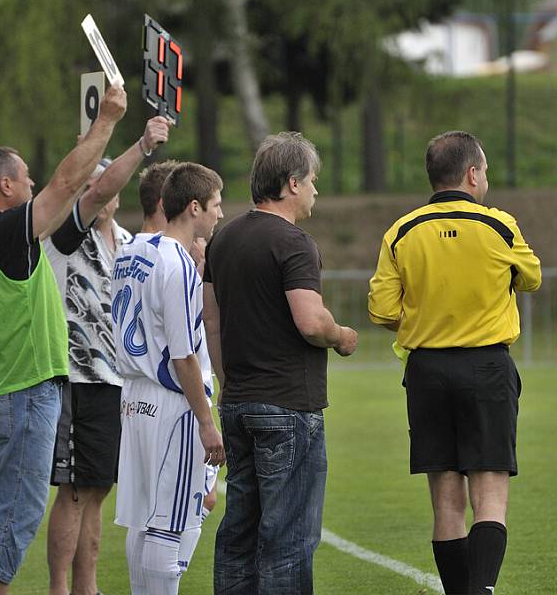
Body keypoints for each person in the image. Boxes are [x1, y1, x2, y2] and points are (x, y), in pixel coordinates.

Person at [0, 85, 127, 595]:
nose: (34, 181)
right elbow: (70, 181)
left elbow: (74, 187)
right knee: (18, 511)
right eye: (26, 174)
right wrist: (107, 123)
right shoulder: (5, 231)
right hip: (24, 391)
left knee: (3, 507)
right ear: (6, 186)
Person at [368, 131, 541, 595]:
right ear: (471, 174)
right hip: (487, 367)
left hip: (427, 372)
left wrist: (430, 317)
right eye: (483, 171)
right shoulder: (499, 225)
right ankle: (480, 590)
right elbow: (532, 277)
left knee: (446, 501)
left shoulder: (401, 231)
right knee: (489, 495)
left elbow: (383, 311)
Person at [204, 132, 358, 595]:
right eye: (312, 181)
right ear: (291, 183)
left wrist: (229, 381)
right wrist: (341, 336)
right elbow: (311, 321)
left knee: (239, 534)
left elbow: (211, 321)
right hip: (289, 406)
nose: (316, 191)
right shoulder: (294, 242)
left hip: (238, 402)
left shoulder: (222, 238)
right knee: (288, 539)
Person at [43, 116, 171, 595]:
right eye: (93, 183)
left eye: (106, 179)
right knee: (74, 493)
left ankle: (88, 587)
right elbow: (89, 195)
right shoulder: (64, 234)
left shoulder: (130, 244)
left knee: (97, 492)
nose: (101, 189)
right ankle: (61, 589)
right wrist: (140, 144)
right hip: (77, 377)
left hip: (117, 383)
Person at [112, 162, 226, 595]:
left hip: (134, 397)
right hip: (172, 405)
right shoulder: (175, 263)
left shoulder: (130, 253)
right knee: (169, 521)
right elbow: (183, 356)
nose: (219, 214)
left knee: (144, 517)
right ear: (193, 207)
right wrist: (206, 420)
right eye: (215, 205)